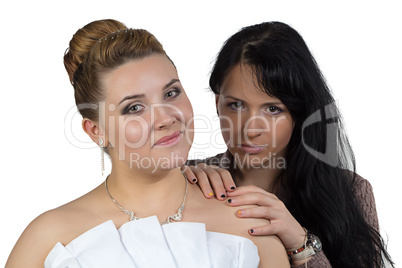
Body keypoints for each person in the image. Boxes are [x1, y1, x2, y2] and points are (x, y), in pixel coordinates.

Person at [5, 19, 290, 268]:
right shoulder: (48, 237)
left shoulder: (249, 223)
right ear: (95, 131)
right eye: (134, 108)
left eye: (171, 93)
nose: (166, 118)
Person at [183, 21, 394, 268]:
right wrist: (180, 180)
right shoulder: (187, 178)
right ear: (217, 103)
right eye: (236, 105)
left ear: (299, 113)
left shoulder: (352, 192)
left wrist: (300, 243)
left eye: (273, 109)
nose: (251, 129)